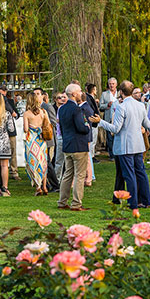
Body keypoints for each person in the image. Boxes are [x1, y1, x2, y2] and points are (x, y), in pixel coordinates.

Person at [91, 80, 150, 209]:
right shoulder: (140, 106)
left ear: (121, 92)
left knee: (129, 175)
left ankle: (133, 202)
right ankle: (145, 201)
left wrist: (100, 121)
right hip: (138, 144)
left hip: (125, 146)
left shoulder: (121, 107)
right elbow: (147, 124)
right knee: (140, 173)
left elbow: (115, 129)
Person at [57, 83, 91, 211]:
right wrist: (87, 127)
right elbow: (81, 127)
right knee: (79, 175)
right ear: (74, 94)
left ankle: (62, 201)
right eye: (80, 91)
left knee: (67, 174)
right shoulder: (77, 109)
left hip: (67, 145)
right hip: (78, 145)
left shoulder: (62, 109)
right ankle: (76, 203)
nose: (81, 93)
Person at [23, 91, 49, 196]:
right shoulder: (43, 112)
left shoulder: (26, 114)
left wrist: (31, 126)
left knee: (33, 162)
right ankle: (44, 186)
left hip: (32, 140)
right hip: (42, 140)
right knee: (43, 162)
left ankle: (38, 187)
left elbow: (25, 129)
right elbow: (47, 124)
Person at [39, 88, 59, 192]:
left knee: (48, 162)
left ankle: (55, 184)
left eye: (38, 94)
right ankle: (44, 184)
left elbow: (54, 123)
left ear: (43, 96)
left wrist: (43, 126)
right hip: (38, 140)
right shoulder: (32, 108)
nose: (36, 96)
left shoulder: (47, 107)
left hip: (48, 139)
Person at [0, 83, 21, 180]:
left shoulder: (10, 102)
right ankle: (2, 172)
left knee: (13, 151)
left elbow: (17, 114)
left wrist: (13, 112)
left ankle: (14, 171)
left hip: (10, 131)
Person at [79, 90, 97, 186]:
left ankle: (89, 178)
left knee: (87, 158)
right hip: (86, 135)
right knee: (86, 157)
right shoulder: (85, 107)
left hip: (85, 135)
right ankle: (88, 177)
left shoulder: (84, 108)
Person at [99, 77, 118, 159]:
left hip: (118, 117)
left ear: (116, 84)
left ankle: (118, 153)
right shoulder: (104, 94)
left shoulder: (120, 93)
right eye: (110, 84)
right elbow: (100, 106)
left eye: (113, 84)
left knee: (117, 137)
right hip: (108, 118)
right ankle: (112, 155)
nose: (111, 85)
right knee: (109, 138)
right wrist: (107, 105)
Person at [85, 83, 99, 164]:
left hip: (94, 122)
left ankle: (92, 155)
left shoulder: (91, 98)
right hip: (93, 122)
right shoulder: (89, 98)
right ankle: (91, 156)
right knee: (92, 141)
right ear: (93, 90)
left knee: (93, 140)